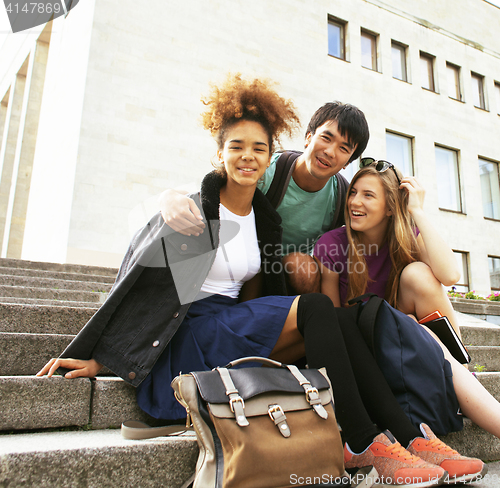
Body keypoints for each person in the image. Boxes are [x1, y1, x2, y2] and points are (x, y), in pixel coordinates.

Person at [37, 76, 484, 486]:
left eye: (258, 149)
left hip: (234, 323)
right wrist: (102, 359)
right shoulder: (194, 212)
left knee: (340, 319)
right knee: (317, 310)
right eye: (237, 147)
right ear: (220, 154)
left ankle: (408, 436)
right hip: (193, 332)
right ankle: (362, 440)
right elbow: (137, 287)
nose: (248, 157)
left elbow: (347, 238)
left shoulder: (262, 218)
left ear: (272, 156)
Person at [314, 158, 500, 441]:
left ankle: (456, 375)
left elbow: (449, 275)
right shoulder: (331, 244)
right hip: (363, 350)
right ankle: (459, 384)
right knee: (418, 327)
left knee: (419, 275)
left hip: (409, 341)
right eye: (353, 192)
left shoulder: (404, 238)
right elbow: (332, 316)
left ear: (390, 207)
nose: (354, 202)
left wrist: (417, 211)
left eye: (368, 195)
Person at [159, 101, 370, 294]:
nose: (330, 152)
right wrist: (169, 197)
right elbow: (213, 187)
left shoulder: (342, 195)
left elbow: (376, 223)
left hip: (296, 278)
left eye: (344, 148)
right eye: (326, 137)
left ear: (347, 162)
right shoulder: (270, 171)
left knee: (301, 266)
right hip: (251, 267)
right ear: (308, 138)